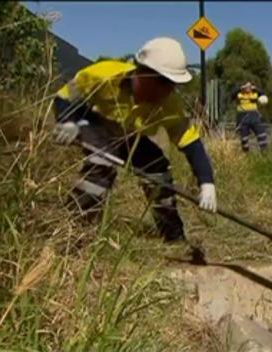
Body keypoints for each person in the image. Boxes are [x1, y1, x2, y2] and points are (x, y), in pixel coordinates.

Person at [51, 37, 216, 244]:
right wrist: (67, 122)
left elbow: (191, 144)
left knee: (158, 173)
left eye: (172, 85)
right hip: (95, 124)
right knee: (102, 162)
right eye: (164, 82)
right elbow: (64, 97)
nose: (168, 90)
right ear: (142, 72)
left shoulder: (170, 104)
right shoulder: (104, 75)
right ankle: (74, 230)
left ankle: (174, 239)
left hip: (130, 137)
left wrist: (207, 182)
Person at [232, 81, 269, 153]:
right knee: (244, 138)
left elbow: (263, 94)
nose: (247, 88)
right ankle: (246, 153)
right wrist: (240, 88)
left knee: (261, 134)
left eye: (249, 86)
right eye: (246, 86)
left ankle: (264, 152)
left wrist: (255, 88)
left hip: (254, 115)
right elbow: (232, 95)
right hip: (242, 117)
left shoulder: (255, 93)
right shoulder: (239, 94)